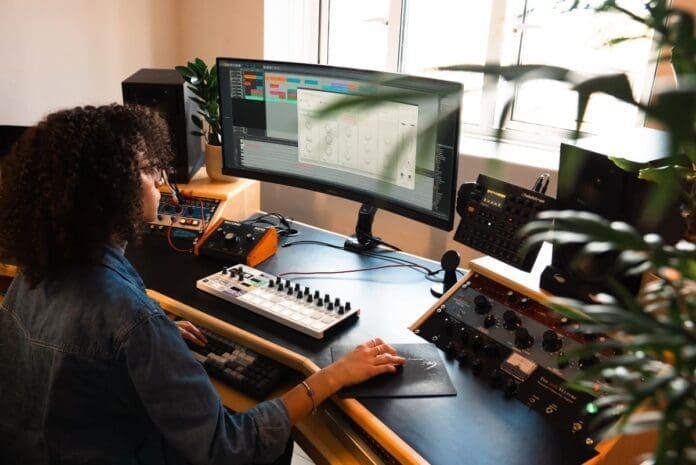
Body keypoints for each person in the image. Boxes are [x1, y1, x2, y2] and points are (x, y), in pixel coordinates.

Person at [0, 104, 405, 464]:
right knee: (271, 445)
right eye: (144, 168)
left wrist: (152, 343)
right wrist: (329, 377)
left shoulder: (33, 274)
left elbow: (86, 355)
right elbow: (226, 447)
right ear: (108, 191)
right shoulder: (133, 319)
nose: (158, 178)